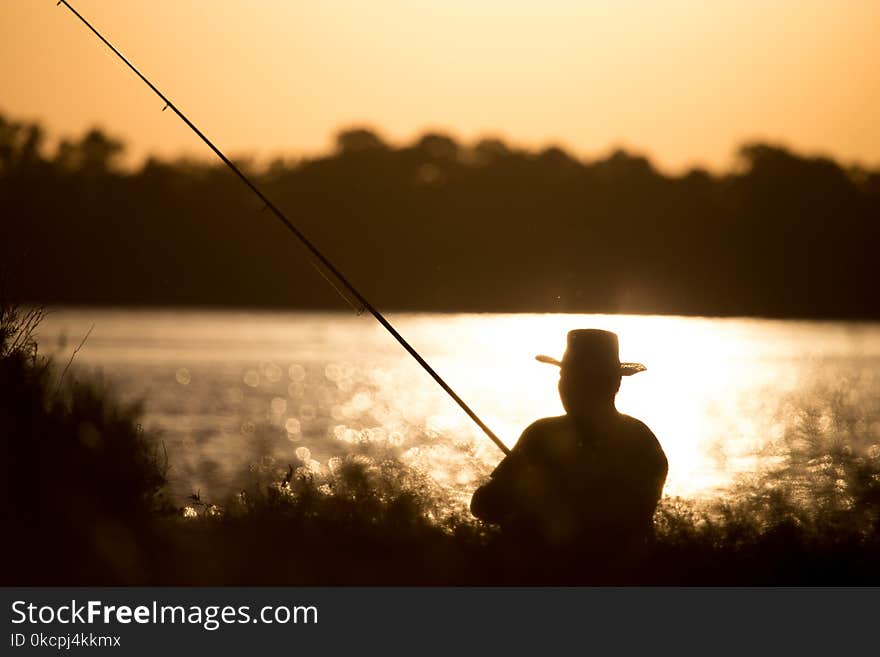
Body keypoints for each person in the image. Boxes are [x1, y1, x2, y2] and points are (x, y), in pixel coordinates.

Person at [470, 329, 667, 575]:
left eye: (574, 377)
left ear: (609, 384)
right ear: (615, 383)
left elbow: (486, 505)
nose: (565, 385)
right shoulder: (642, 439)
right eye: (565, 375)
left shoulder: (541, 435)